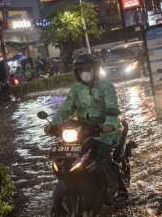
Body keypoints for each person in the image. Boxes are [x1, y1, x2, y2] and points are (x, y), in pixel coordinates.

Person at [46, 53, 127, 202]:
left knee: (102, 157)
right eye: (80, 69)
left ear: (94, 70)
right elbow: (66, 108)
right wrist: (53, 124)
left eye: (87, 68)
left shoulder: (106, 86)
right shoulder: (76, 89)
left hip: (106, 130)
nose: (84, 72)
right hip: (84, 129)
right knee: (66, 153)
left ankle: (121, 189)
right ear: (76, 72)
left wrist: (109, 124)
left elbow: (112, 107)